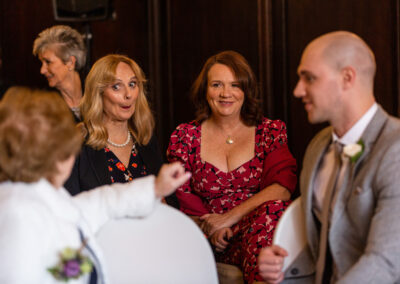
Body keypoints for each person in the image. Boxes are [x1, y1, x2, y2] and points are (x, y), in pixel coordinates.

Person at [0, 87, 191, 283]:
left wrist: (155, 188)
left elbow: (100, 203)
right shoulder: (19, 217)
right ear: (54, 156)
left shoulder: (37, 197)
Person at [258, 31, 400, 284]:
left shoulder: (395, 148)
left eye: (309, 78)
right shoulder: (318, 147)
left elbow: (386, 262)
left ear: (347, 77)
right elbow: (326, 247)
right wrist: (282, 265)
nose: (298, 90)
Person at [167, 50, 297, 283]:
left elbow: (282, 188)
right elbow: (179, 194)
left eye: (235, 85)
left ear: (246, 90)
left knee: (272, 210)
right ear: (205, 90)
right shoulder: (185, 136)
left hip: (258, 233)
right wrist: (211, 225)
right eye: (216, 84)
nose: (225, 93)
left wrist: (228, 218)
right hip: (205, 235)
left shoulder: (270, 131)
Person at [64, 54, 165, 200]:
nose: (128, 94)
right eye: (116, 87)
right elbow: (69, 208)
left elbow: (169, 203)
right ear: (98, 93)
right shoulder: (77, 144)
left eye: (132, 84)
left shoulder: (146, 139)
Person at [33, 25, 86, 122]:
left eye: (48, 62)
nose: (42, 70)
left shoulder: (96, 94)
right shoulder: (44, 105)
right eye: (42, 63)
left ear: (70, 62)